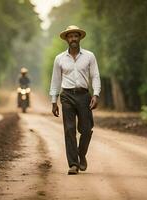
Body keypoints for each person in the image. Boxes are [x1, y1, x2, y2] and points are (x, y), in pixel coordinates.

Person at [49, 25, 101, 175]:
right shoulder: (59, 59)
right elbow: (55, 80)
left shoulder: (89, 56)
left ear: (79, 38)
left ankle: (81, 154)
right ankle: (73, 164)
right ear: (66, 39)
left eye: (75, 36)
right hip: (67, 96)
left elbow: (95, 76)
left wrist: (96, 94)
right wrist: (54, 101)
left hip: (84, 95)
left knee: (86, 129)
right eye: (70, 36)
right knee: (69, 129)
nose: (73, 39)